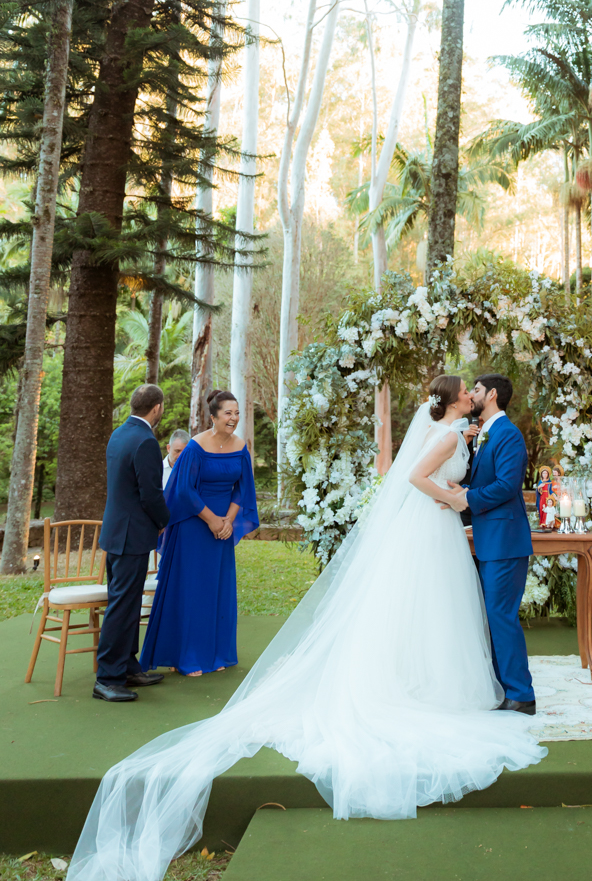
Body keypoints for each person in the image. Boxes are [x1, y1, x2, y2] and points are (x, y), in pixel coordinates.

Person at [68, 377, 544, 881]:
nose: (472, 394)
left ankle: (441, 676)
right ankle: (438, 683)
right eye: (465, 392)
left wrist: (455, 491)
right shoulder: (448, 435)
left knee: (437, 610)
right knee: (435, 608)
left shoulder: (463, 432)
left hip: (439, 530)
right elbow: (418, 479)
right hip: (437, 525)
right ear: (453, 401)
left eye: (476, 391)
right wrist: (455, 500)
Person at [139, 390, 258, 677]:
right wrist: (212, 521)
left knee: (217, 590)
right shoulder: (194, 447)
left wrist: (228, 521)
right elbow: (184, 490)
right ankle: (187, 656)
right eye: (228, 413)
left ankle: (216, 652)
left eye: (237, 412)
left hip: (222, 529)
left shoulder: (241, 447)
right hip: (194, 524)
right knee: (193, 590)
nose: (233, 418)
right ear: (214, 417)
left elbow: (243, 489)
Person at [444, 372, 536, 715]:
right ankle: (504, 687)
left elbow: (506, 486)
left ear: (493, 394)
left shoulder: (508, 434)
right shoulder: (485, 434)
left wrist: (466, 498)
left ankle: (521, 695)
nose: (472, 395)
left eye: (476, 390)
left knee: (502, 616)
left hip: (505, 541)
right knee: (494, 617)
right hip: (490, 539)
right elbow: (480, 478)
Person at [94, 385, 170, 703]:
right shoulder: (146, 441)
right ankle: (107, 678)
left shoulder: (119, 434)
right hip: (131, 536)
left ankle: (128, 667)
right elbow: (150, 493)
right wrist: (165, 521)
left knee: (126, 603)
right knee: (122, 607)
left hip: (116, 533)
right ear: (156, 409)